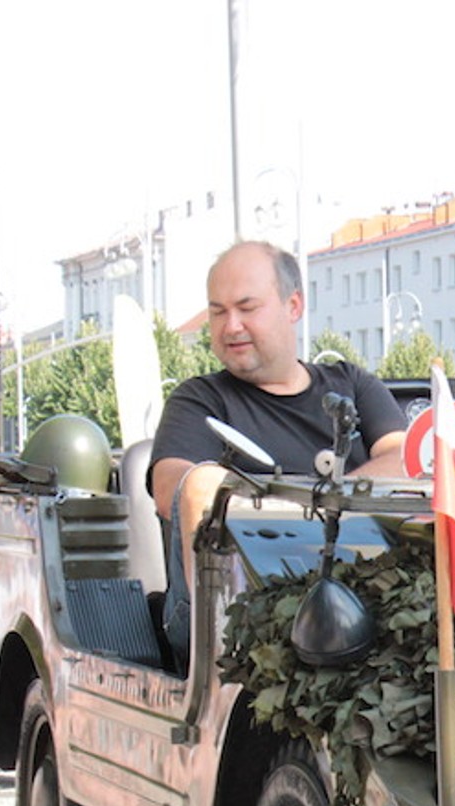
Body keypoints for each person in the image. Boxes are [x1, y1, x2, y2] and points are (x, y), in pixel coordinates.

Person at [149, 241, 407, 667]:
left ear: (293, 305)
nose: (231, 326)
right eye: (218, 312)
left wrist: (314, 504)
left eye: (247, 308)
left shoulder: (352, 384)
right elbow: (174, 488)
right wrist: (320, 507)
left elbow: (404, 460)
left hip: (355, 597)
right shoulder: (198, 400)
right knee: (203, 483)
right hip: (234, 613)